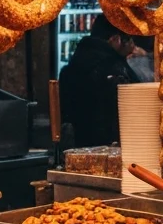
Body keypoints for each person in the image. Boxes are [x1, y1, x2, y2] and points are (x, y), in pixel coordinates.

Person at [58, 15, 138, 147]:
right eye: (130, 39)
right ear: (116, 40)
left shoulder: (71, 67)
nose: (133, 46)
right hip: (111, 148)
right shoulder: (115, 68)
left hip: (78, 147)